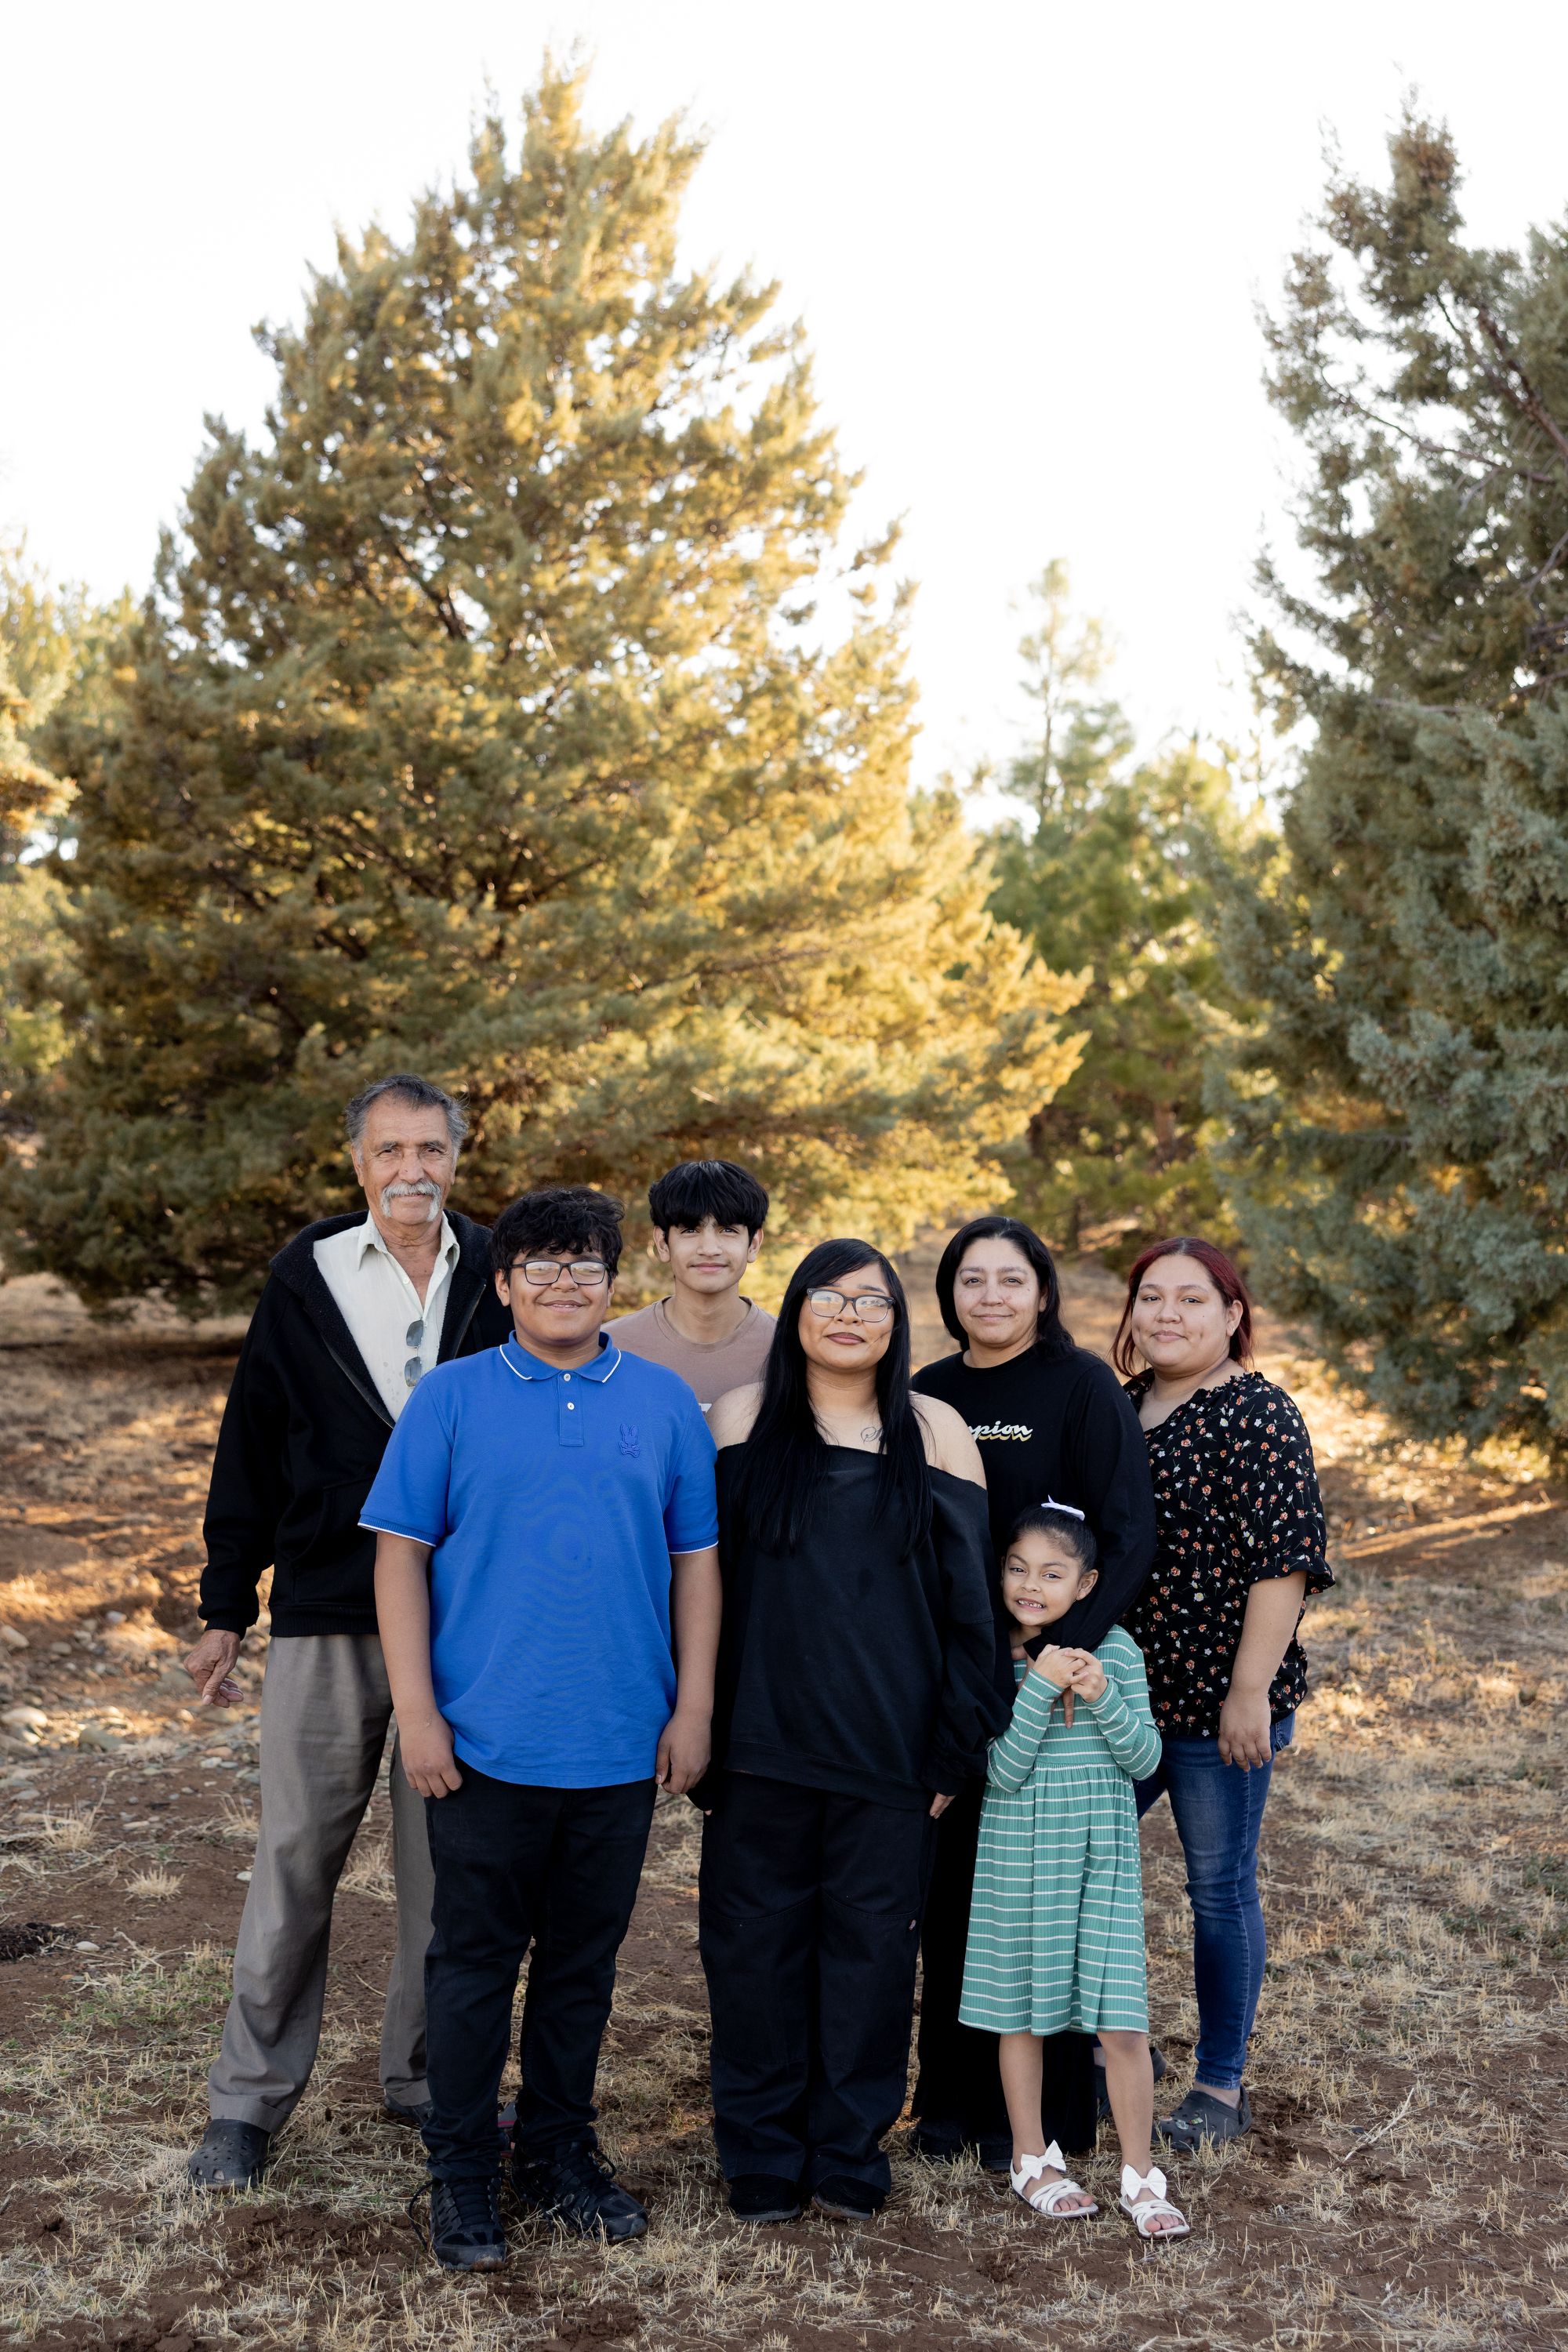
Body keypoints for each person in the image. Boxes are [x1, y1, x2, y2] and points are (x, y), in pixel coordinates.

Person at [365, 1185, 721, 2272]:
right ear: (505, 1283)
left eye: (585, 1266)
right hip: (480, 1744)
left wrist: (694, 1706)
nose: (564, 1285)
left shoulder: (662, 1404)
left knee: (583, 1968)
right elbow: (398, 1558)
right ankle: (463, 2172)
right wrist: (418, 1715)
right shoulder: (454, 1398)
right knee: (471, 1964)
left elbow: (696, 1564)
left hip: (618, 1741)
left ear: (615, 1281)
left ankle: (559, 2151)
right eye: (540, 1267)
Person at [183, 1073, 512, 2190]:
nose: (410, 1170)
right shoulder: (306, 1274)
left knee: (448, 1874)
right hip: (327, 1610)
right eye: (389, 1151)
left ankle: (426, 2080)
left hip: (467, 1621)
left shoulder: (503, 1273)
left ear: (457, 1158)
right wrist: (227, 1602)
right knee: (294, 1860)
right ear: (358, 1163)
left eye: (430, 1149)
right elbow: (252, 1442)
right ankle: (246, 2103)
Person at [698, 1240, 1007, 2224]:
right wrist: (701, 1726)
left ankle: (844, 2148)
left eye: (868, 1301)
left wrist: (958, 1744)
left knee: (871, 1960)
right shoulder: (740, 1421)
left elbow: (971, 1613)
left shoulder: (938, 1432)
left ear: (895, 1321)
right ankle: (759, 2150)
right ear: (792, 1312)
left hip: (893, 1752)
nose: (846, 1315)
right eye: (825, 1297)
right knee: (753, 1955)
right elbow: (701, 1592)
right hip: (759, 1745)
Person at [908, 1214, 1156, 2168]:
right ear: (949, 1295)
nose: (991, 1298)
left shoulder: (1081, 1387)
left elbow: (1126, 1535)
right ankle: (947, 2103)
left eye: (1011, 1280)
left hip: (1050, 1688)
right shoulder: (927, 1392)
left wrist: (1056, 1660)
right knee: (955, 1892)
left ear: (1042, 1293)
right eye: (971, 1280)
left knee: (1046, 1901)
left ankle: (1053, 2114)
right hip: (952, 1678)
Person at [1115, 1237, 1332, 2151]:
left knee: (1215, 1889)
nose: (1167, 1314)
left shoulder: (1256, 1413)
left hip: (1218, 1709)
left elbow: (1283, 1562)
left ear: (1231, 1314)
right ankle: (1111, 2053)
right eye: (1151, 1297)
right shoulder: (1118, 1408)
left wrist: (1248, 1691)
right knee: (1094, 1877)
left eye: (1191, 1299)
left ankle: (1219, 2081)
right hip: (1121, 1702)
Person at [960, 1505, 1189, 2240]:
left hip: (1102, 1862)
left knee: (1120, 2020)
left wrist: (1099, 1693)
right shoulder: (994, 1656)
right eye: (1018, 1568)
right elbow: (999, 1771)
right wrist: (1035, 1687)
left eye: (1053, 1574)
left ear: (1086, 1583)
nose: (1032, 1586)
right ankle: (1032, 2157)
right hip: (1020, 1857)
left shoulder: (1116, 1652)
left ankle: (1139, 2176)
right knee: (1023, 2011)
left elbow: (1145, 1760)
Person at [606, 1158, 775, 1410]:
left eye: (727, 1230)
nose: (709, 1249)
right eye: (690, 1231)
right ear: (663, 1243)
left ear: (753, 1244)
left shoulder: (789, 1348)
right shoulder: (612, 1347)